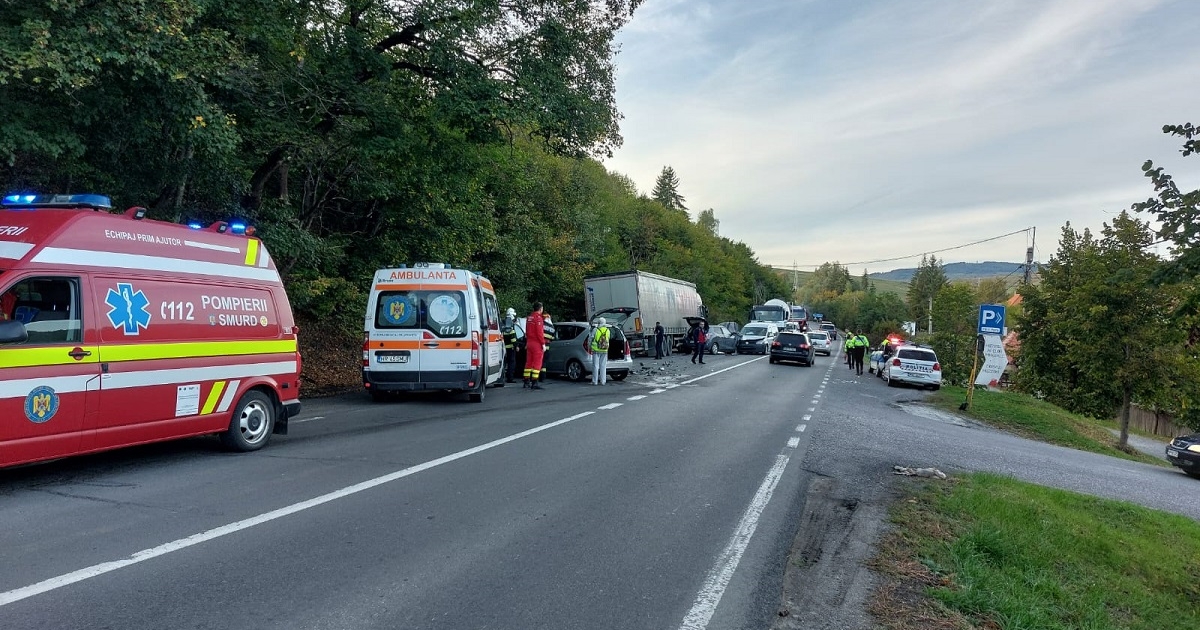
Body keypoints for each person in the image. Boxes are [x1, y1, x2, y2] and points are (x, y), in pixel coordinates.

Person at [523, 302, 547, 389]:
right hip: (536, 343)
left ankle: (526, 381)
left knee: (529, 362)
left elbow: (527, 330)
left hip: (529, 342)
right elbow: (539, 333)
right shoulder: (538, 318)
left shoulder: (529, 318)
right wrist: (543, 343)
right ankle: (534, 382)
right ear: (540, 309)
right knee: (537, 363)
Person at [589, 317, 611, 385]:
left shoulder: (595, 329)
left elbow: (591, 338)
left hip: (596, 350)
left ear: (599, 322)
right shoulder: (607, 330)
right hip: (604, 349)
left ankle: (594, 381)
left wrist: (590, 346)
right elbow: (608, 338)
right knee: (603, 366)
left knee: (595, 366)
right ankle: (603, 381)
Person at [502, 308, 519, 383]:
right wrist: (516, 346)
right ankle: (510, 378)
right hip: (510, 348)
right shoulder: (510, 324)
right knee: (511, 363)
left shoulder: (504, 323)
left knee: (505, 363)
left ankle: (504, 377)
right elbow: (513, 338)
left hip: (503, 347)